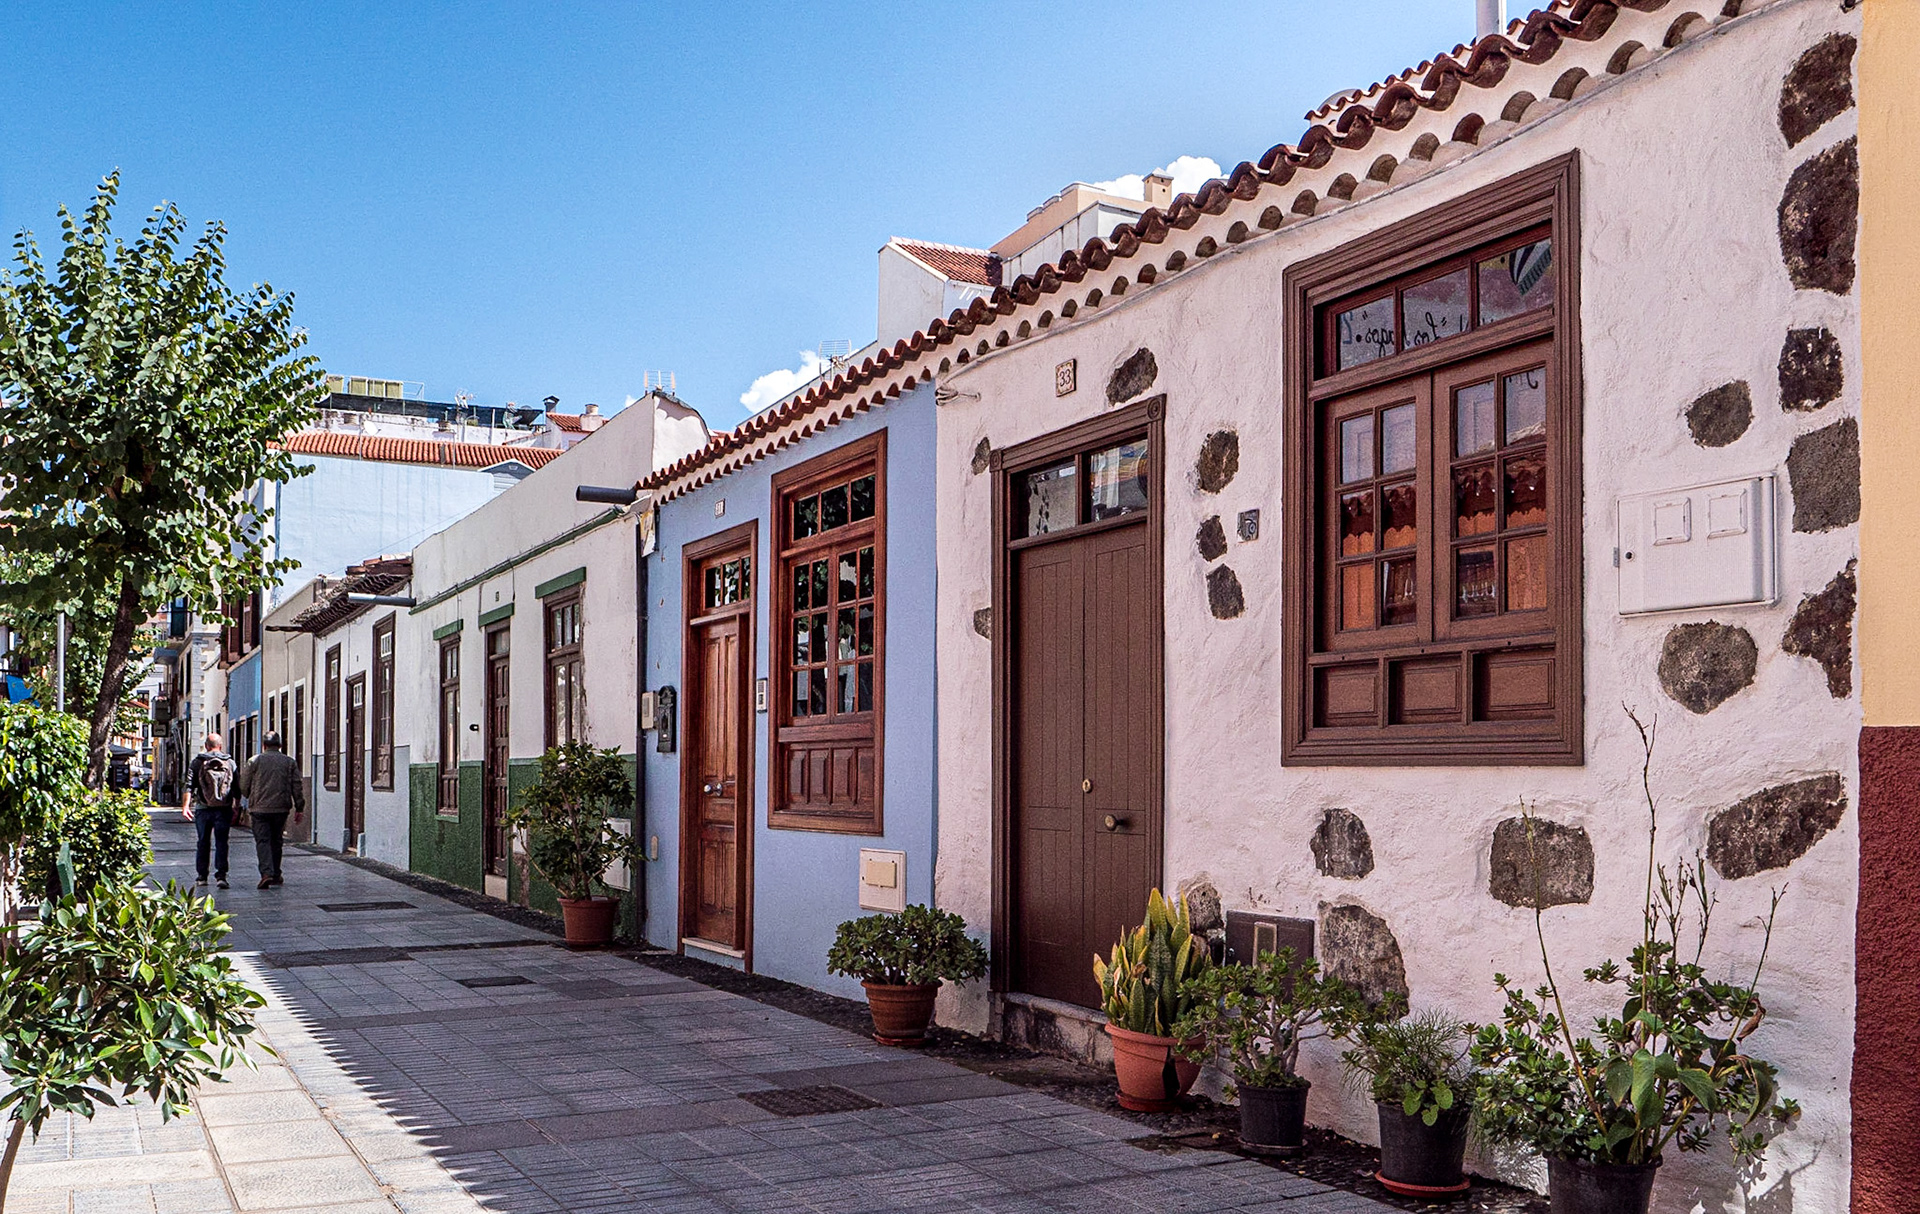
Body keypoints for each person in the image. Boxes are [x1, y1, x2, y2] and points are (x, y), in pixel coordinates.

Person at [236, 731, 305, 890]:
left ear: (264, 745)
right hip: (281, 808)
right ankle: (276, 873)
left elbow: (244, 784)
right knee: (276, 840)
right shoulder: (289, 762)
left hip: (259, 808)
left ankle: (266, 873)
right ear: (280, 745)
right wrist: (299, 807)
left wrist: (249, 795)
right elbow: (297, 786)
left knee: (263, 841)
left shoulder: (254, 761)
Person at [182, 734, 237, 889]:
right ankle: (221, 876)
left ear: (206, 746)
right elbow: (236, 786)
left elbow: (189, 785)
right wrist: (236, 805)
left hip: (203, 808)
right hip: (223, 808)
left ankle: (202, 876)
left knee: (203, 842)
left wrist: (186, 806)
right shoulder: (229, 762)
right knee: (222, 842)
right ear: (220, 746)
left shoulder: (198, 762)